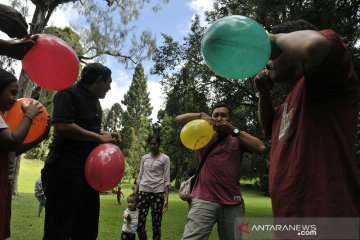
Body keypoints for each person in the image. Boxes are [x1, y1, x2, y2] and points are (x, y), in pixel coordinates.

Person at [253, 19, 360, 218]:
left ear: (288, 48)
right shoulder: (289, 102)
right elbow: (268, 128)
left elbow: (313, 45)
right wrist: (264, 94)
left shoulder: (326, 81)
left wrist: (273, 39)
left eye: (270, 55)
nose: (267, 63)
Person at [41, 63, 121, 240]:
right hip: (64, 170)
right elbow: (63, 125)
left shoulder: (95, 102)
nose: (109, 87)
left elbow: (86, 129)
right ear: (100, 80)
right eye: (109, 82)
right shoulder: (68, 93)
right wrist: (98, 138)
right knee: (59, 228)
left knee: (87, 229)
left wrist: (105, 135)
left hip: (89, 175)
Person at [176, 103, 266, 240]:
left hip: (233, 203)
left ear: (230, 120)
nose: (219, 118)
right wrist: (200, 115)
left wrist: (234, 130)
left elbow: (261, 148)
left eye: (223, 115)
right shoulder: (203, 136)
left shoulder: (238, 138)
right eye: (215, 115)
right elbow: (178, 119)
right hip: (203, 200)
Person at [0, 69, 44, 239]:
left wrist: (40, 136)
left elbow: (12, 150)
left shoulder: (3, 117)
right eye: (11, 93)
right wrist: (29, 115)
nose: (14, 99)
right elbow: (12, 140)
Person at [134, 135, 170, 240]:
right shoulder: (144, 158)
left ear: (159, 144)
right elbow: (140, 176)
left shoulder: (165, 158)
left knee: (156, 225)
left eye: (154, 144)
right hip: (143, 192)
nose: (152, 146)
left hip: (158, 193)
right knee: (139, 224)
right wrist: (135, 194)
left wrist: (166, 199)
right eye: (150, 144)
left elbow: (167, 179)